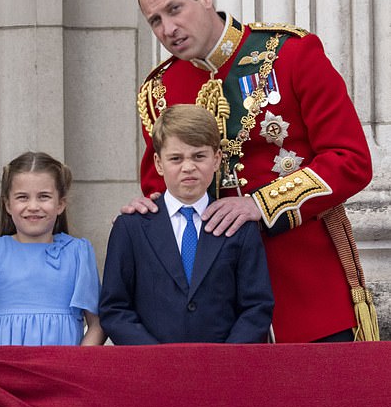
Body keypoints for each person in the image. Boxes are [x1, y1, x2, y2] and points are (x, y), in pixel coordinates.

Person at [126, 0, 374, 342]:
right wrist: (149, 209)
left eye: (175, 9)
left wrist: (260, 204)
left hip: (303, 290)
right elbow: (159, 187)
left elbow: (350, 159)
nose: (168, 29)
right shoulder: (158, 90)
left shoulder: (291, 53)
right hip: (215, 310)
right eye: (155, 20)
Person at [101, 105, 273, 344]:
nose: (188, 167)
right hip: (152, 368)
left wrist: (227, 359)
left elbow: (256, 306)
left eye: (198, 156)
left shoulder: (239, 227)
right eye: (176, 158)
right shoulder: (131, 227)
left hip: (223, 369)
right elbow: (115, 308)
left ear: (216, 159)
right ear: (159, 164)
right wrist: (156, 358)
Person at [0, 151, 105, 346]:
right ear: (8, 205)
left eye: (44, 197)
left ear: (61, 204)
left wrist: (77, 363)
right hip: (3, 370)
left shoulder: (78, 252)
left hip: (60, 369)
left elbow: (98, 323)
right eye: (22, 197)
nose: (33, 206)